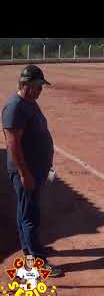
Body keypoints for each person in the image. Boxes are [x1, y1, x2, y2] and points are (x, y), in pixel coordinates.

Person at [1, 65, 61, 277]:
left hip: (36, 169)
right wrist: (25, 174)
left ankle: (28, 250)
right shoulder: (15, 107)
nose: (40, 91)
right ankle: (37, 261)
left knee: (24, 212)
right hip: (26, 172)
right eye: (37, 86)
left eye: (41, 87)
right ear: (25, 84)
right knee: (30, 216)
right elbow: (13, 145)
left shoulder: (30, 103)